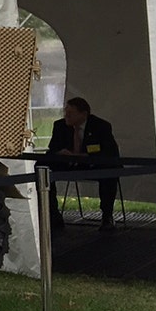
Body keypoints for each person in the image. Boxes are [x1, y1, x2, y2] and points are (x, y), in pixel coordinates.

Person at [46, 96, 122, 230]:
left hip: (93, 165)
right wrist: (61, 153)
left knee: (110, 171)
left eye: (71, 113)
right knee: (43, 168)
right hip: (68, 164)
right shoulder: (59, 126)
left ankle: (107, 216)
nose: (66, 115)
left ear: (84, 114)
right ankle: (52, 214)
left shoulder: (101, 126)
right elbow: (52, 149)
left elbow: (109, 152)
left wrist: (82, 156)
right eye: (65, 112)